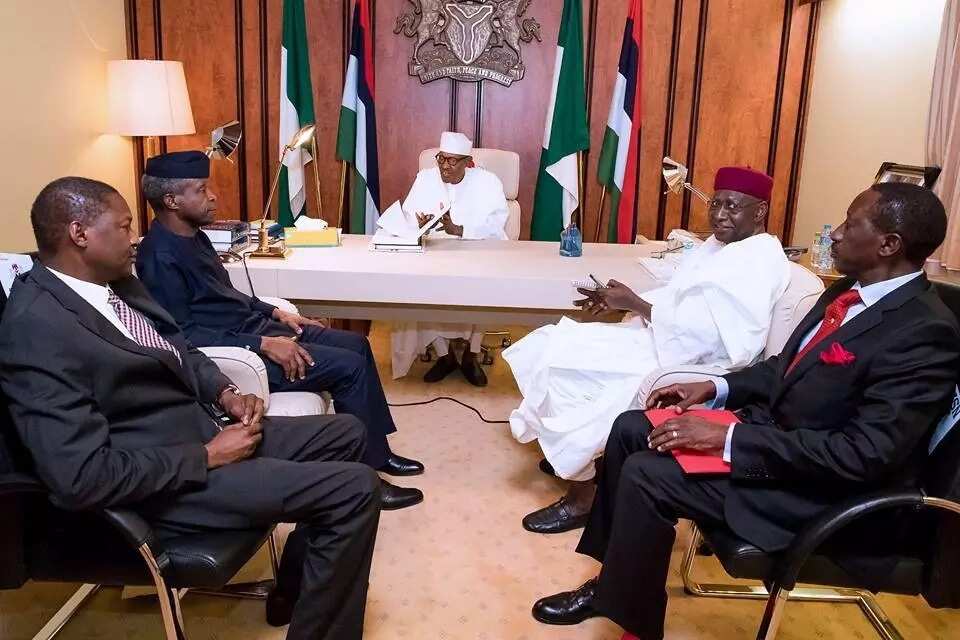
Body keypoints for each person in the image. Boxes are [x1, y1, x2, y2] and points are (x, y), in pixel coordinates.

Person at [531, 182, 960, 640]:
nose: (833, 234)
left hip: (825, 492)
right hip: (781, 446)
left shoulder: (923, 332)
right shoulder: (847, 292)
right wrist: (714, 387)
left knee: (647, 474)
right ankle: (613, 585)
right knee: (631, 429)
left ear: (889, 244)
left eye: (850, 224)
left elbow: (864, 455)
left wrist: (727, 439)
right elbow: (784, 369)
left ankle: (635, 626)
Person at [0, 177, 382, 639]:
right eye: (123, 227)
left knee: (346, 432)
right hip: (163, 479)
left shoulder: (116, 283)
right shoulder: (36, 326)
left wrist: (225, 392)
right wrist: (208, 456)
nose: (135, 237)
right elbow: (79, 477)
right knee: (355, 488)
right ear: (80, 233)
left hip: (197, 430)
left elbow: (178, 346)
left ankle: (296, 589)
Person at [505, 167, 791, 534]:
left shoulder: (759, 260)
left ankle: (582, 496)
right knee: (551, 342)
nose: (720, 214)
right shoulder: (719, 246)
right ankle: (575, 455)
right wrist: (623, 302)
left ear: (760, 211)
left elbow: (718, 339)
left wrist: (637, 304)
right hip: (663, 340)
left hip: (692, 363)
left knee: (568, 369)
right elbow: (676, 298)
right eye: (716, 203)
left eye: (733, 206)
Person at [135, 151, 422, 511]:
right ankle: (366, 479)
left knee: (357, 345)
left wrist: (277, 313)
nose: (212, 196)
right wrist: (264, 344)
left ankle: (378, 453)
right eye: (201, 189)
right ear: (172, 200)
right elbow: (184, 335)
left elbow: (228, 296)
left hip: (257, 328)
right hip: (240, 351)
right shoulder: (158, 257)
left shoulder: (195, 237)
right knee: (348, 368)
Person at [391, 131, 510, 387]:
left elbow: (497, 223)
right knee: (420, 290)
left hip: (477, 253)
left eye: (452, 161)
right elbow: (407, 216)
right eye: (441, 159)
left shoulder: (489, 182)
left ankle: (471, 355)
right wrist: (420, 225)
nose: (445, 166)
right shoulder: (425, 178)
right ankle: (444, 356)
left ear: (467, 161)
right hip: (435, 253)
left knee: (482, 291)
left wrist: (460, 230)